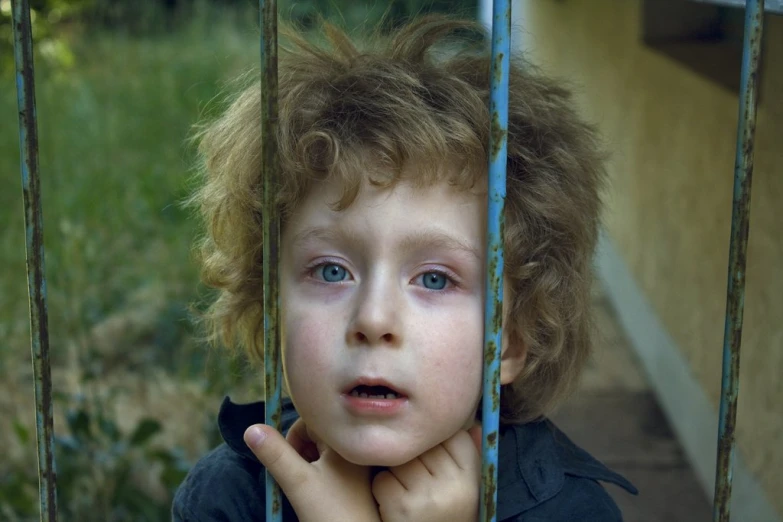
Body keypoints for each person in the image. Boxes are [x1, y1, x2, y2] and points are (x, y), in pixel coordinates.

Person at [173, 14, 637, 522]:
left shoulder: (571, 512)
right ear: (271, 305)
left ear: (510, 339)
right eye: (331, 271)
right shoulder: (228, 499)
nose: (374, 320)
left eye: (434, 279)